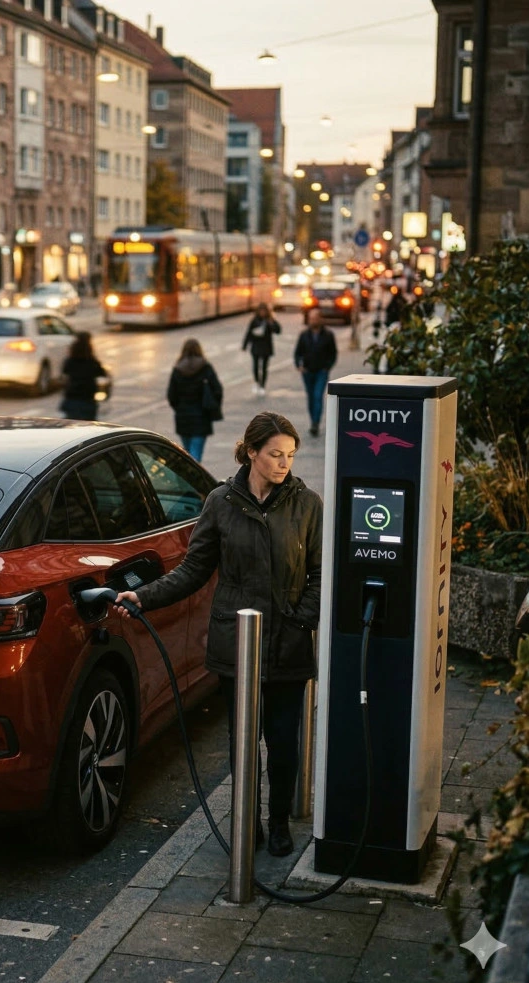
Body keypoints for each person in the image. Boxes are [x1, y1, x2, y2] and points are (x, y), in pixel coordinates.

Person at [113, 412, 321, 857]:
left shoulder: (307, 505)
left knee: (284, 742)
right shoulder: (221, 503)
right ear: (251, 452)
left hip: (288, 643)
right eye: (275, 454)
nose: (284, 464)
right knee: (244, 743)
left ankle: (279, 820)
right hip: (238, 645)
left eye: (290, 455)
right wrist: (143, 597)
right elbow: (193, 570)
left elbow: (320, 572)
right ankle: (248, 819)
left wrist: (303, 617)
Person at [166, 338, 223, 463]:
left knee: (186, 453)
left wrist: (179, 408)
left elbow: (171, 395)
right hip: (201, 418)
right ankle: (193, 479)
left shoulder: (177, 369)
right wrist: (210, 406)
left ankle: (186, 477)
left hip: (183, 418)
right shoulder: (206, 368)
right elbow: (217, 390)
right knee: (195, 455)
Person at [293, 307, 337, 437]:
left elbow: (333, 353)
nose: (313, 320)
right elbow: (297, 352)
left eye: (315, 318)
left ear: (320, 319)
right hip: (307, 371)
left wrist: (327, 367)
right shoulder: (304, 335)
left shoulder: (328, 335)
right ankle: (313, 420)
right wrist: (299, 365)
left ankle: (315, 423)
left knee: (318, 396)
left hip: (321, 371)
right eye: (311, 318)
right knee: (311, 397)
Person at [60, 331, 107, 420]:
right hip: (87, 396)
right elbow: (102, 374)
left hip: (72, 396)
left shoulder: (70, 360)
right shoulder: (92, 361)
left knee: (71, 421)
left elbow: (64, 373)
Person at [241, 303, 281, 396]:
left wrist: (271, 323)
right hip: (256, 346)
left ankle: (262, 385)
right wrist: (245, 345)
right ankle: (256, 382)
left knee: (264, 368)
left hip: (266, 347)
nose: (262, 313)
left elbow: (278, 330)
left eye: (264, 311)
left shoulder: (270, 320)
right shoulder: (254, 320)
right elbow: (249, 333)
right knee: (255, 366)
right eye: (261, 311)